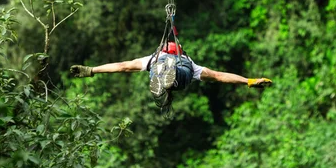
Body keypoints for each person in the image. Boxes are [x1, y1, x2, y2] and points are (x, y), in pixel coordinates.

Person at [70, 41, 272, 113]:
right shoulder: (192, 64)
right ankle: (168, 78)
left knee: (159, 68)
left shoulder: (151, 58)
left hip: (166, 69)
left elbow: (122, 66)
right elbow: (220, 76)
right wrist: (248, 81)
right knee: (176, 73)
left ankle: (166, 77)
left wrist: (92, 70)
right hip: (180, 75)